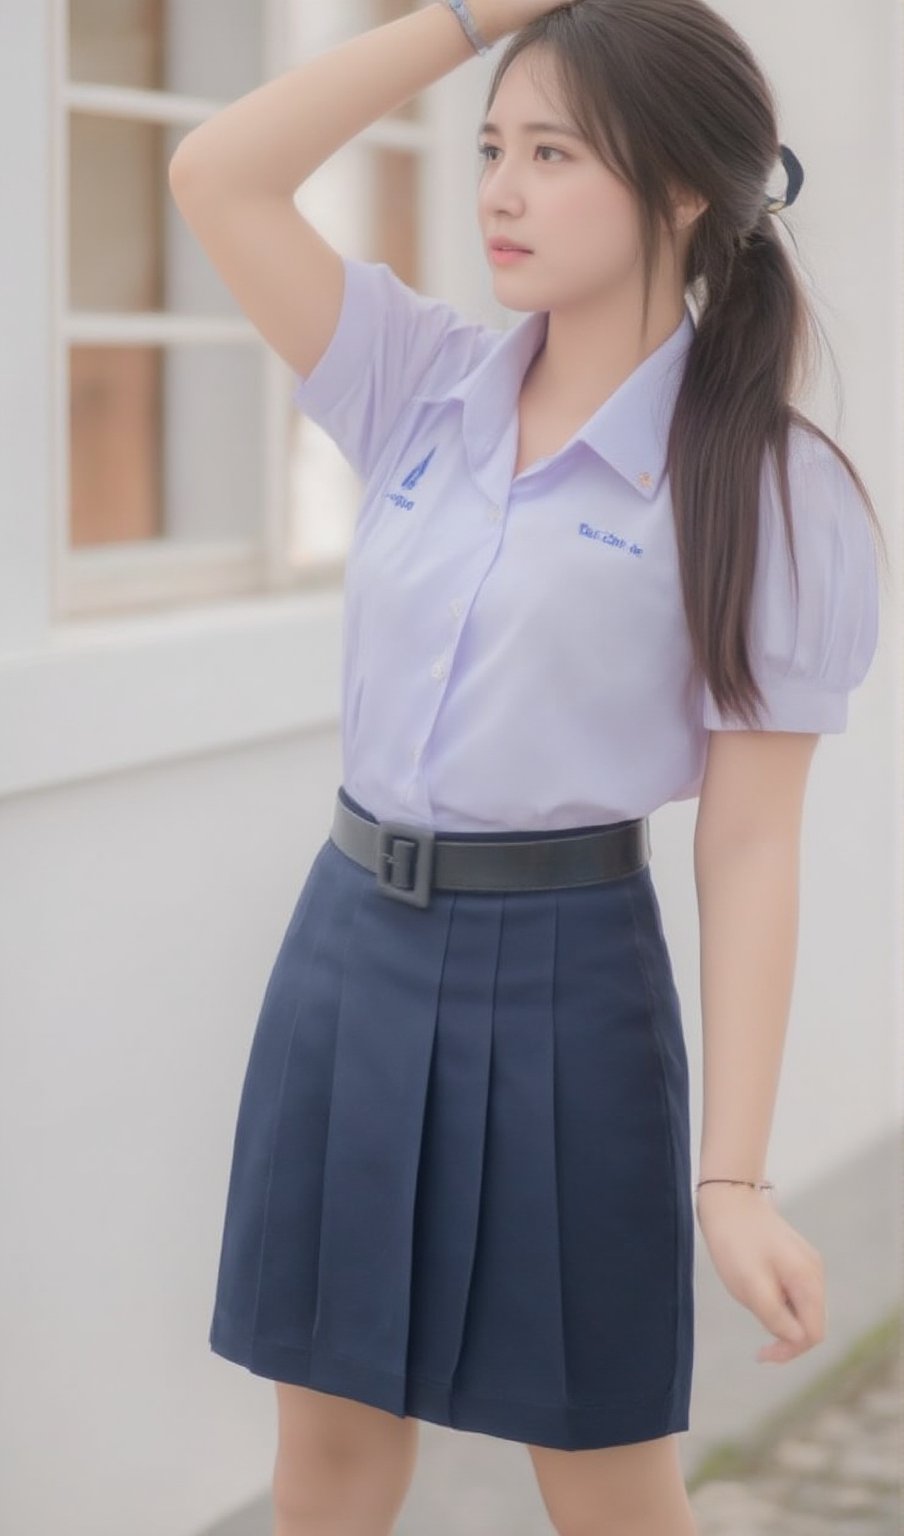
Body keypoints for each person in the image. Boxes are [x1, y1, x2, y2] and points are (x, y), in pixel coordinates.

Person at [169, 1, 885, 1532]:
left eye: (550, 152)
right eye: (493, 147)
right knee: (334, 1453)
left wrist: (735, 1181)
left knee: (609, 1480)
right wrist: (472, 21)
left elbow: (753, 846)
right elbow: (219, 173)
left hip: (567, 986)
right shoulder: (419, 381)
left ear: (682, 187)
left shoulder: (765, 484)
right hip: (347, 957)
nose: (497, 188)